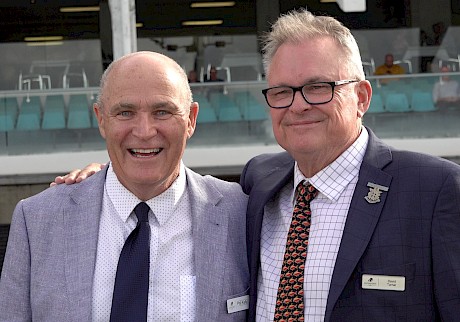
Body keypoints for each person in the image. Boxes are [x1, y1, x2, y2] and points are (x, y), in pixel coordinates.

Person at [52, 9, 460, 322]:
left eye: (318, 87)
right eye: (282, 91)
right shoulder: (258, 183)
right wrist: (103, 181)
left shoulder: (435, 190)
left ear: (362, 97)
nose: (298, 105)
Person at [0, 51, 249, 321]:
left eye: (162, 111)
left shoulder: (241, 212)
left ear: (191, 119)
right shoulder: (37, 220)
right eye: (125, 112)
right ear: (101, 119)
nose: (144, 131)